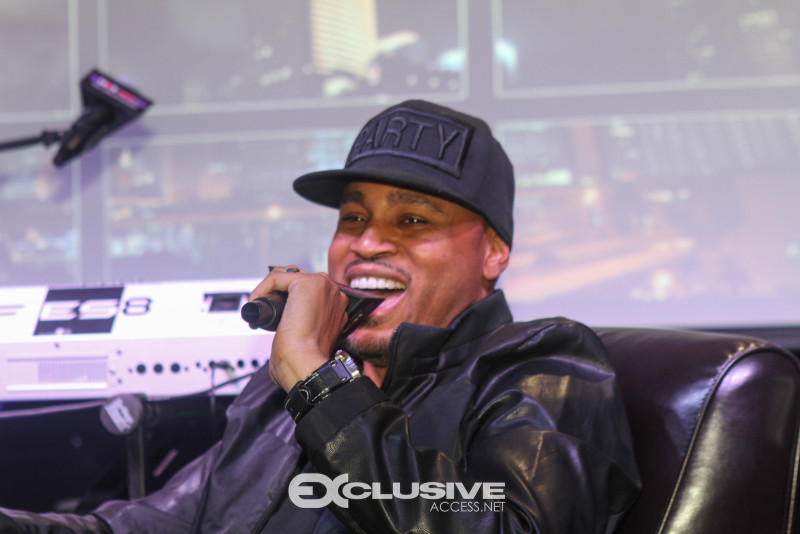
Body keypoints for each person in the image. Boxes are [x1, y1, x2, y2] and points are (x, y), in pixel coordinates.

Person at [0, 100, 640, 533]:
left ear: (494, 252)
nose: (367, 242)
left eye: (412, 219)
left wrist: (317, 383)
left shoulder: (544, 365)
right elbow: (148, 524)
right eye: (353, 217)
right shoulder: (295, 387)